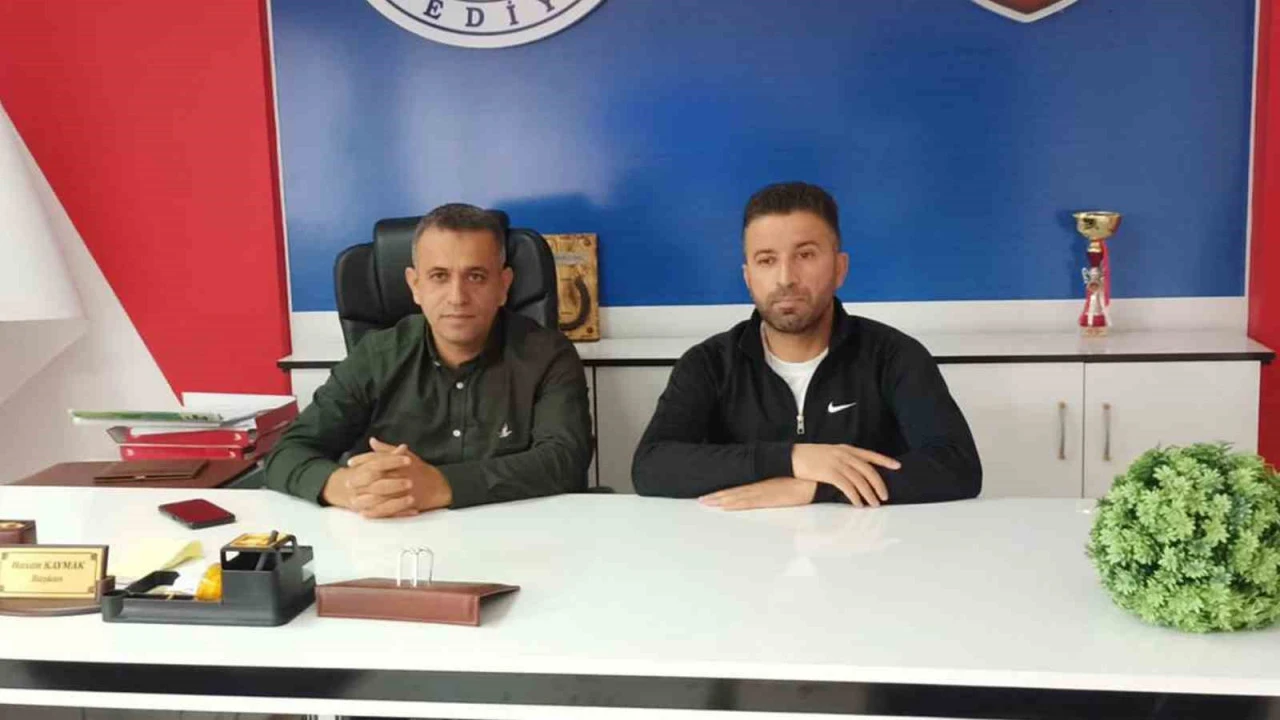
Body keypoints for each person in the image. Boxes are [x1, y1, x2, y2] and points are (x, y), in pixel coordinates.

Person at [632, 182, 981, 509]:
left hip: (869, 548)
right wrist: (792, 459)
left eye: (805, 255)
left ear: (840, 268)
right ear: (748, 277)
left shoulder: (893, 355)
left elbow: (957, 466)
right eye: (767, 260)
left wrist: (815, 489)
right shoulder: (709, 364)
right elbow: (651, 466)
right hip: (742, 547)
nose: (786, 278)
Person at [265, 203, 593, 518]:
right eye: (439, 276)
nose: (457, 297)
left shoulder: (548, 355)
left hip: (520, 538)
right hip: (396, 536)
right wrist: (349, 487)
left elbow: (565, 461)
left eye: (476, 276)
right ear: (415, 286)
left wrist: (442, 485)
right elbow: (287, 452)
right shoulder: (376, 356)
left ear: (503, 286)